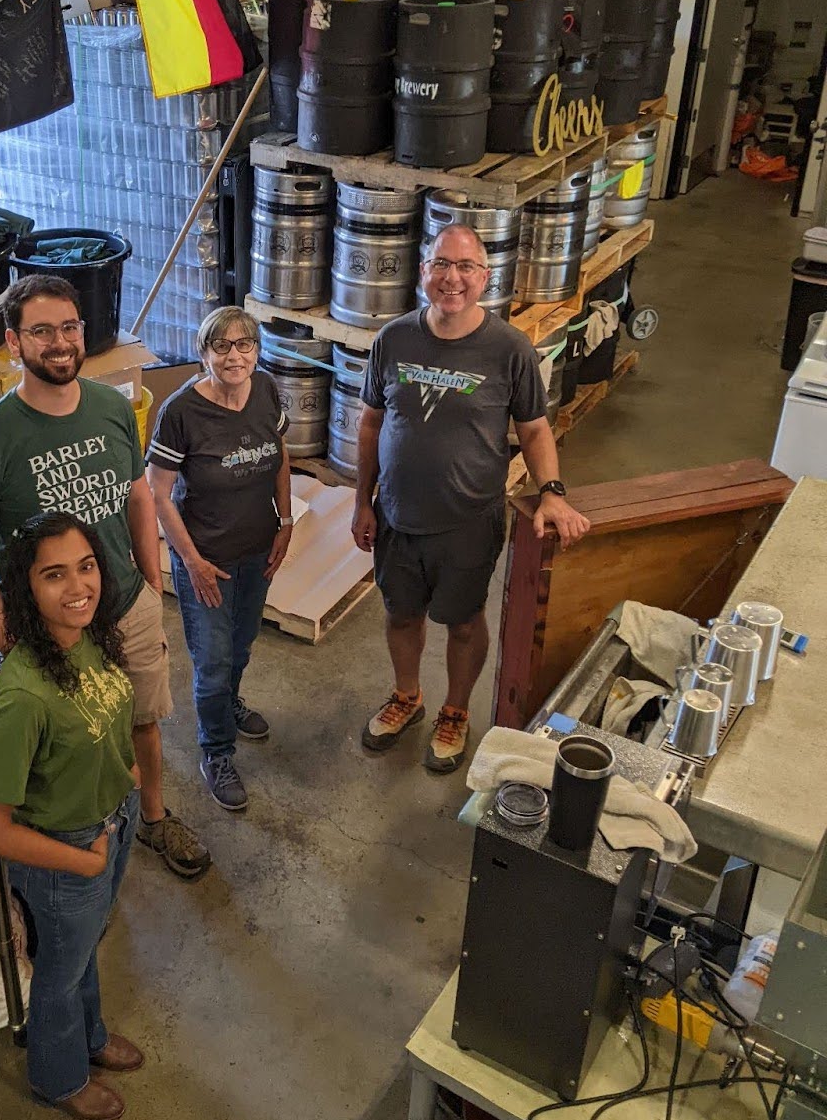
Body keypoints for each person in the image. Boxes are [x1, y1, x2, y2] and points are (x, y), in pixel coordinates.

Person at [0, 274, 210, 882]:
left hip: (127, 604)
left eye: (69, 327)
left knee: (140, 717)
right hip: (55, 629)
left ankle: (151, 816)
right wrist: (12, 639)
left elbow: (138, 495)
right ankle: (79, 836)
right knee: (70, 739)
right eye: (41, 331)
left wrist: (149, 578)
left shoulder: (113, 407)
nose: (59, 342)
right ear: (15, 343)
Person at [352, 223, 590, 773]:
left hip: (467, 520)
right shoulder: (394, 339)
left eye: (465, 267)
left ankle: (455, 710)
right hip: (397, 517)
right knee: (401, 613)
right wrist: (363, 502)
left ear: (484, 277)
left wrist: (551, 492)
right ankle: (407, 697)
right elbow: (370, 424)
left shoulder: (509, 349)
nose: (452, 278)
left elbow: (533, 430)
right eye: (442, 264)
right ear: (423, 271)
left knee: (462, 621)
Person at [0, 513, 141, 1120]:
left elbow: (110, 712)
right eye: (54, 575)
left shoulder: (86, 634)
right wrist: (84, 860)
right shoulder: (22, 696)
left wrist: (130, 782)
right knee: (59, 976)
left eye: (87, 566)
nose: (79, 586)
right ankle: (58, 1077)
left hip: (111, 821)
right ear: (25, 589)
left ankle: (89, 1039)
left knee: (84, 948)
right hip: (68, 851)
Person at [146, 306, 293, 813]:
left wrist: (287, 522)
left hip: (257, 549)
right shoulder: (181, 412)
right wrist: (190, 561)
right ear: (204, 353)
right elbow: (158, 494)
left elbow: (280, 453)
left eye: (245, 344)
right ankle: (217, 750)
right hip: (206, 560)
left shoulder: (268, 390)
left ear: (256, 350)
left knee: (242, 643)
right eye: (222, 346)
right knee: (211, 662)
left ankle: (230, 705)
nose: (235, 356)